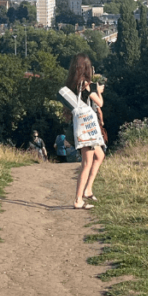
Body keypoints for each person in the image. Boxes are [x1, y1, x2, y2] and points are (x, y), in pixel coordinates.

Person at [63, 54, 105, 209]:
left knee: (99, 156)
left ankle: (87, 190)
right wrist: (99, 90)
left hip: (80, 127)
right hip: (88, 129)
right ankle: (78, 199)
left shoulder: (72, 85)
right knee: (86, 163)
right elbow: (99, 103)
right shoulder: (86, 84)